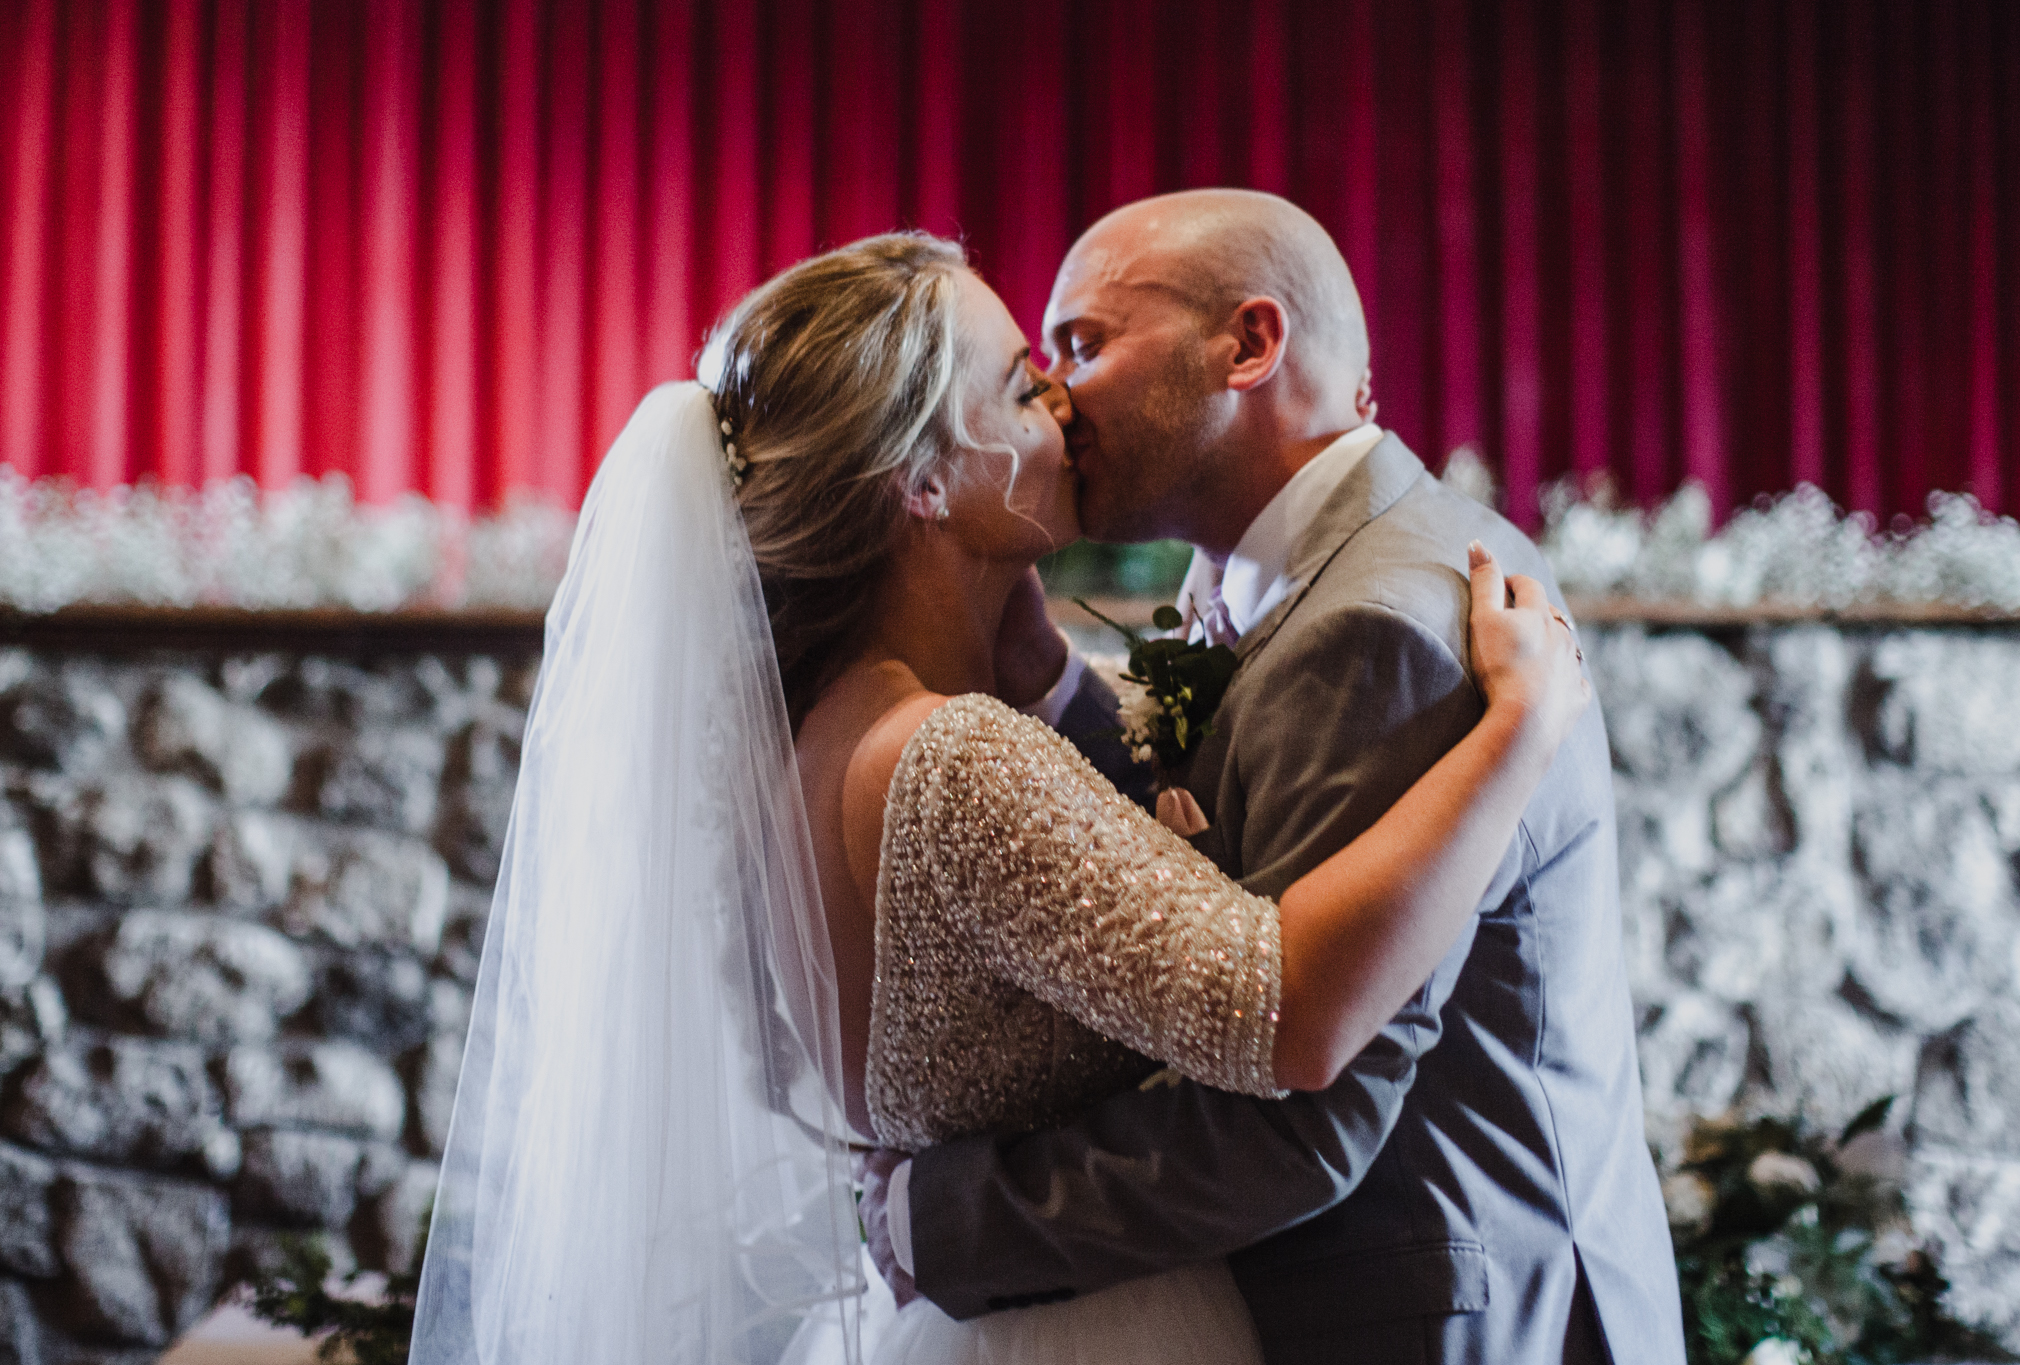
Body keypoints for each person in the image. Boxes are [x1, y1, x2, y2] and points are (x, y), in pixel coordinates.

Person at [409, 230, 1585, 1365]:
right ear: (922, 482)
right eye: (1026, 384)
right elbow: (1282, 1013)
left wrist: (1041, 669)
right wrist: (1515, 736)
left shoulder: (828, 730)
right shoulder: (954, 759)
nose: (1065, 409)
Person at [859, 191, 1687, 1365]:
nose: (1053, 396)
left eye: (1084, 344)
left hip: (1429, 1311)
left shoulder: (1380, 626)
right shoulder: (1324, 566)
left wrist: (938, 1219)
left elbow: (1301, 1111)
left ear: (1247, 345)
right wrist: (1047, 681)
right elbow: (1208, 863)